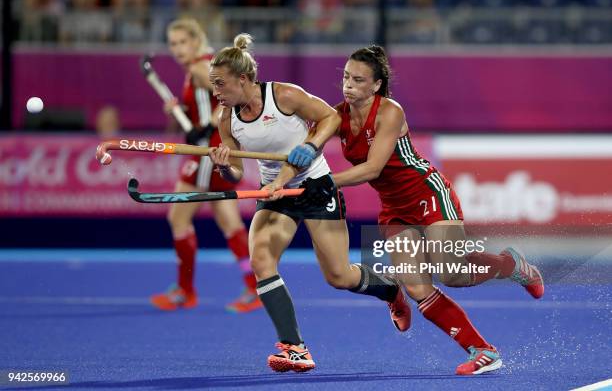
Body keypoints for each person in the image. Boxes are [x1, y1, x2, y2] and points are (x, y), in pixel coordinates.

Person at [297, 45, 545, 375]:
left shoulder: (390, 112)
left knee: (453, 274)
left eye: (358, 80)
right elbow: (307, 141)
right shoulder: (337, 115)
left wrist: (327, 182)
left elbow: (372, 169)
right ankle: (483, 350)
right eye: (345, 77)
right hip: (394, 209)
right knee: (416, 287)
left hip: (428, 194)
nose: (348, 85)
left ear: (376, 85)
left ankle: (509, 263)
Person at [208, 33, 411, 373]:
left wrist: (311, 145)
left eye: (220, 84)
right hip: (275, 193)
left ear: (243, 79)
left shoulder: (284, 95)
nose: (216, 92)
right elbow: (236, 173)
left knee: (339, 276)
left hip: (316, 187)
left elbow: (329, 117)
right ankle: (294, 347)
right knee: (261, 259)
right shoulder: (226, 118)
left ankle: (390, 291)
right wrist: (224, 165)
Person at [149, 19, 262, 313]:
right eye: (172, 44)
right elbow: (205, 104)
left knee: (178, 218)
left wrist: (204, 127)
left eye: (182, 42)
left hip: (209, 151)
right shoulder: (201, 67)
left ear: (196, 40)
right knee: (229, 222)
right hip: (214, 148)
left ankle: (186, 291)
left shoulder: (202, 68)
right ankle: (255, 286)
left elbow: (229, 100)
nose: (176, 49)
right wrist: (181, 110)